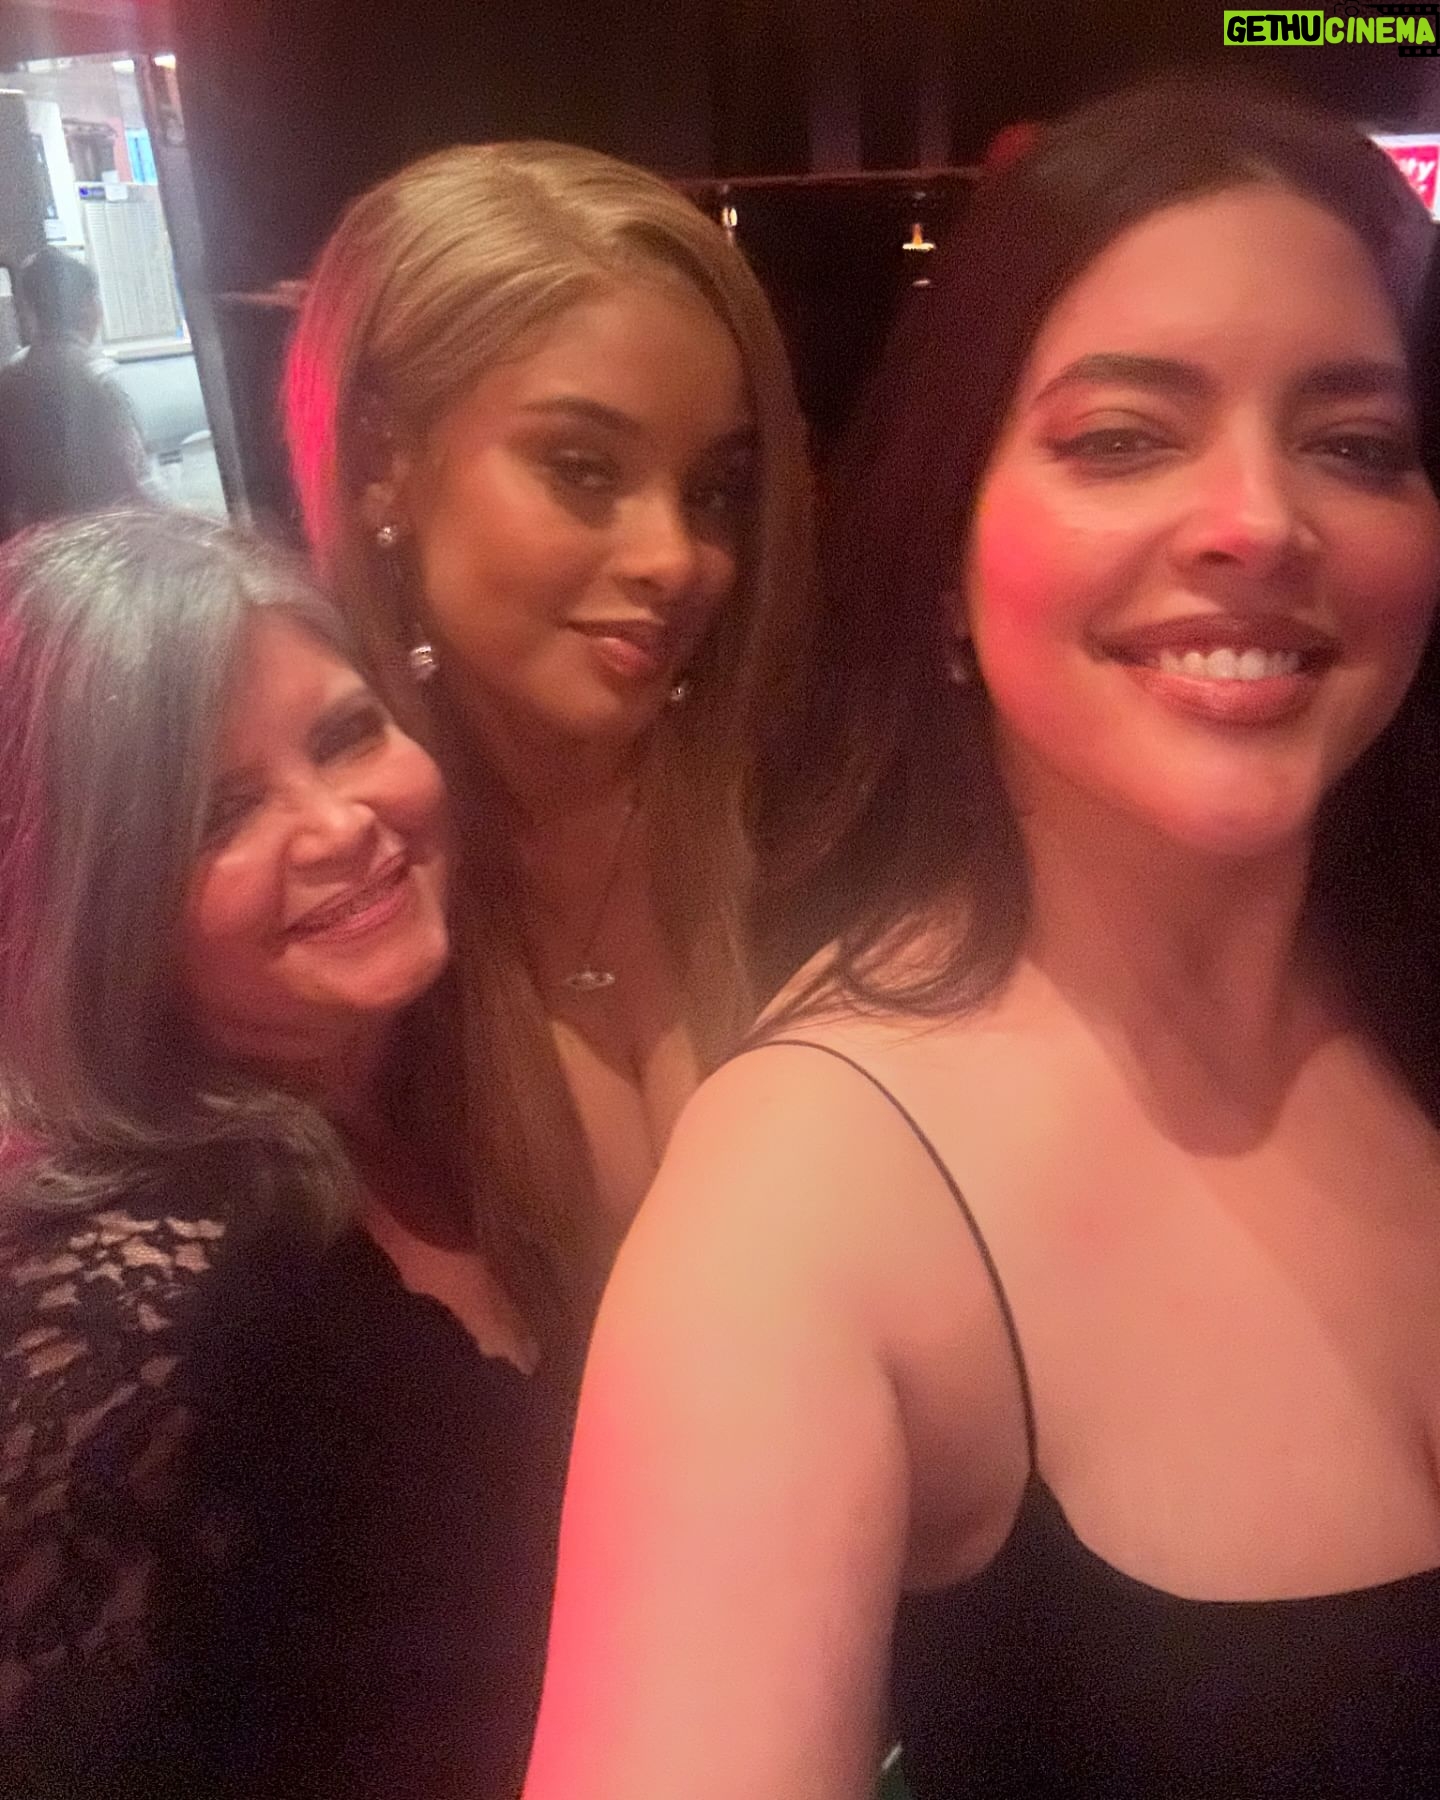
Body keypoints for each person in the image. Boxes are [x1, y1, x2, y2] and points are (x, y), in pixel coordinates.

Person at [521, 79, 1440, 1800]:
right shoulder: (804, 1200)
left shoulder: (1405, 991)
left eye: (1356, 445)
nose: (1262, 518)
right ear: (945, 559)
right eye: (1123, 437)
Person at [0, 510, 566, 1799]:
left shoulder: (447, 1088)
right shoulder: (129, 1304)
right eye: (220, 815)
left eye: (346, 735)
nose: (338, 824)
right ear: (98, 906)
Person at [283, 143, 813, 1300]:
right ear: (380, 461)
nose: (675, 557)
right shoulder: (318, 885)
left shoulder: (804, 810)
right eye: (583, 468)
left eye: (713, 491)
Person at [0, 249, 155, 536]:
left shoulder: (8, 381)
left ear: (31, 309)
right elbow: (136, 482)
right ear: (87, 305)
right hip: (105, 542)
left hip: (38, 545)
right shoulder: (99, 377)